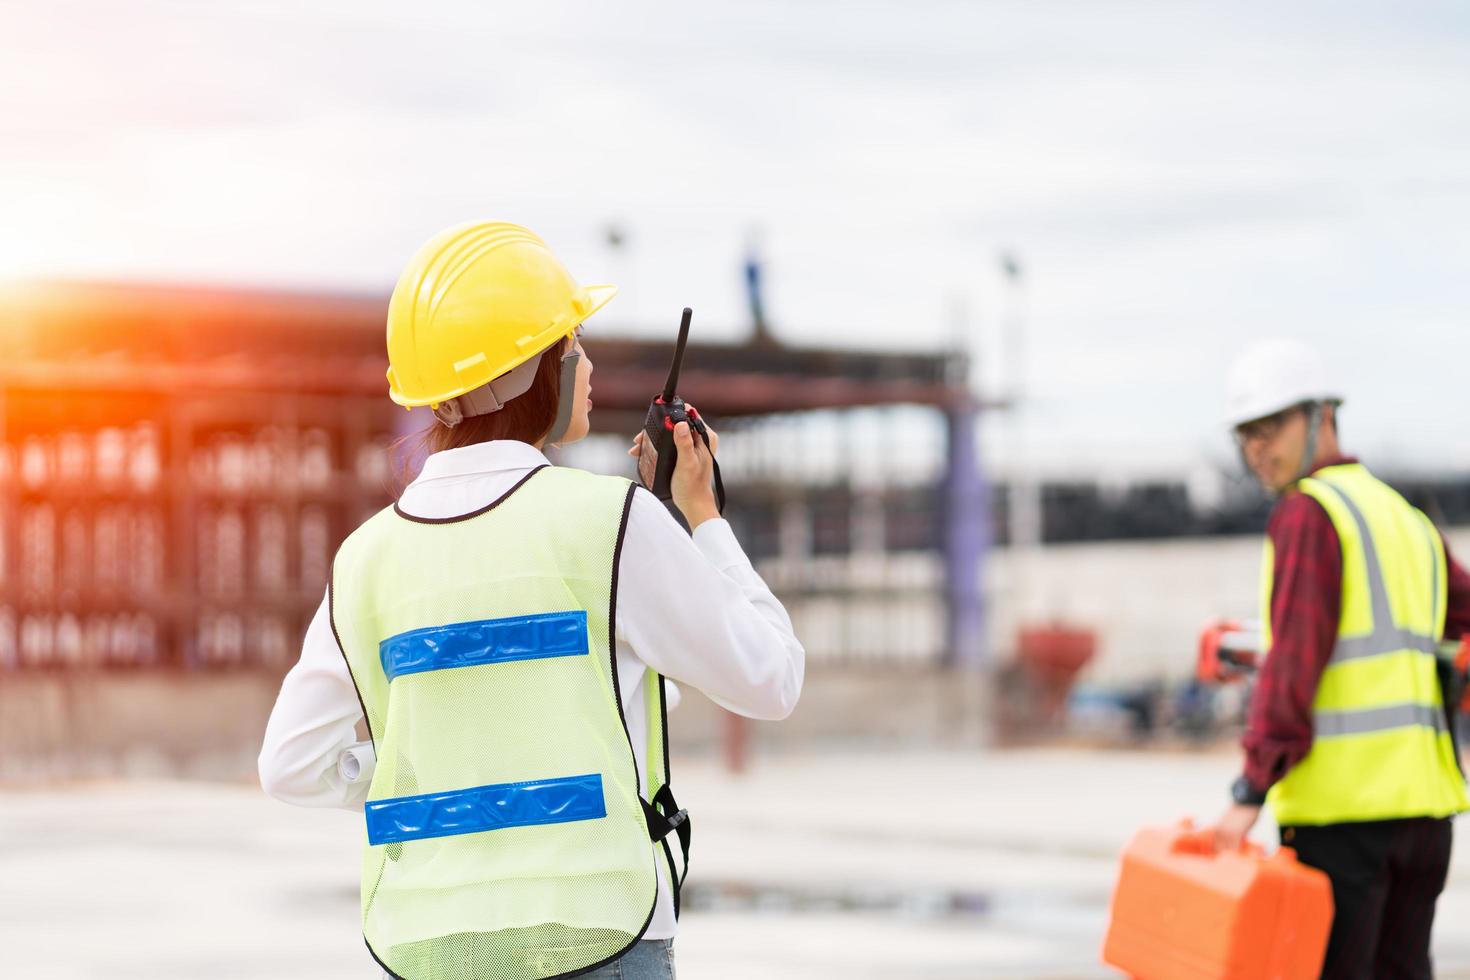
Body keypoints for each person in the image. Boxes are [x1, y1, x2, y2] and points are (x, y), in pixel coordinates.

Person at [258, 221, 805, 980]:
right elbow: (771, 677)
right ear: (532, 371)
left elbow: (292, 765)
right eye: (570, 343)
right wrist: (704, 517)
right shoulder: (610, 522)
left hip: (426, 949)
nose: (585, 364)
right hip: (597, 936)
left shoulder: (364, 558)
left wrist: (432, 772)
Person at [1209, 338, 1470, 979]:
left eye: (1271, 427)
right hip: (1424, 818)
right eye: (1246, 434)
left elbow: (1298, 663)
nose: (1257, 448)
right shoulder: (1403, 517)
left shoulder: (1307, 513)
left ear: (1323, 415)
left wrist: (1251, 786)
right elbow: (1423, 628)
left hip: (1342, 815)